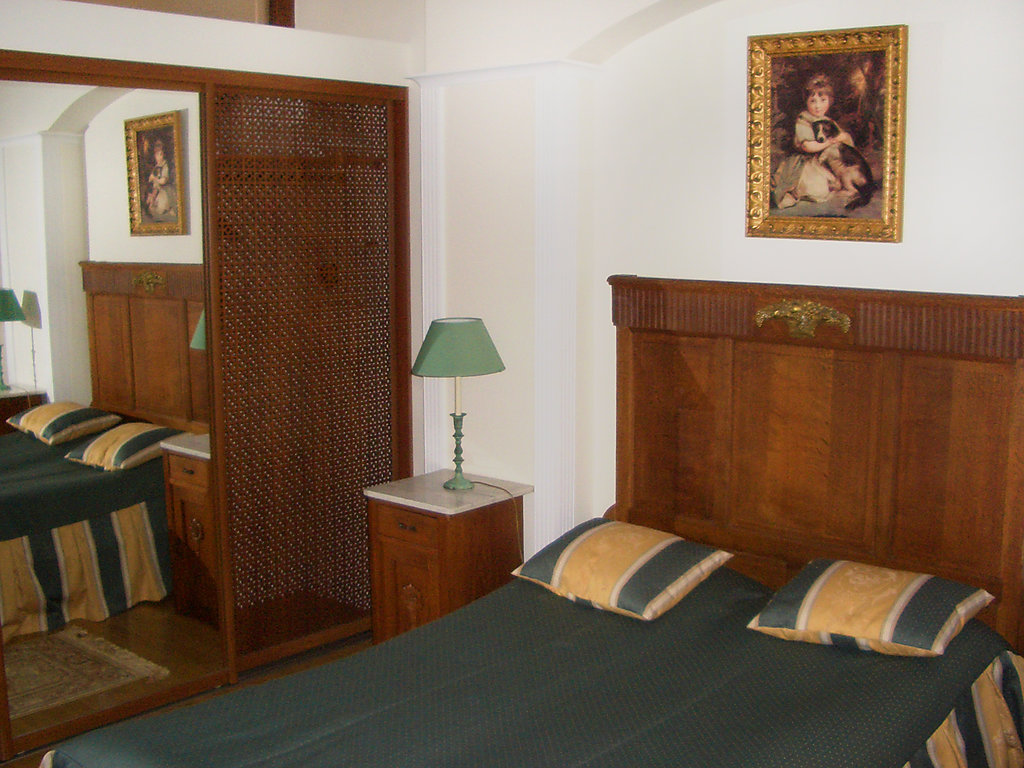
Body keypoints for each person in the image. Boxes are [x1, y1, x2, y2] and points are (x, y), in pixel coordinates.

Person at [772, 74, 856, 209]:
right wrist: (829, 142)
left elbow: (845, 140)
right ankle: (794, 193)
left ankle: (834, 186)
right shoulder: (804, 120)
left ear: (830, 101)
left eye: (823, 100)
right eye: (813, 101)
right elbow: (807, 146)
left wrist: (844, 137)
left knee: (838, 180)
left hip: (824, 163)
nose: (818, 106)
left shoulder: (828, 121)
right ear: (806, 102)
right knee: (818, 189)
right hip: (805, 163)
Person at [144, 138, 177, 219]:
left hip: (163, 189)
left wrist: (155, 179)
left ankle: (168, 209)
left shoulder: (166, 165)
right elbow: (151, 179)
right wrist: (151, 178)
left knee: (160, 208)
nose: (157, 157)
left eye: (160, 154)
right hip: (155, 188)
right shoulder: (157, 166)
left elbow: (163, 180)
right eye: (156, 155)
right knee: (150, 199)